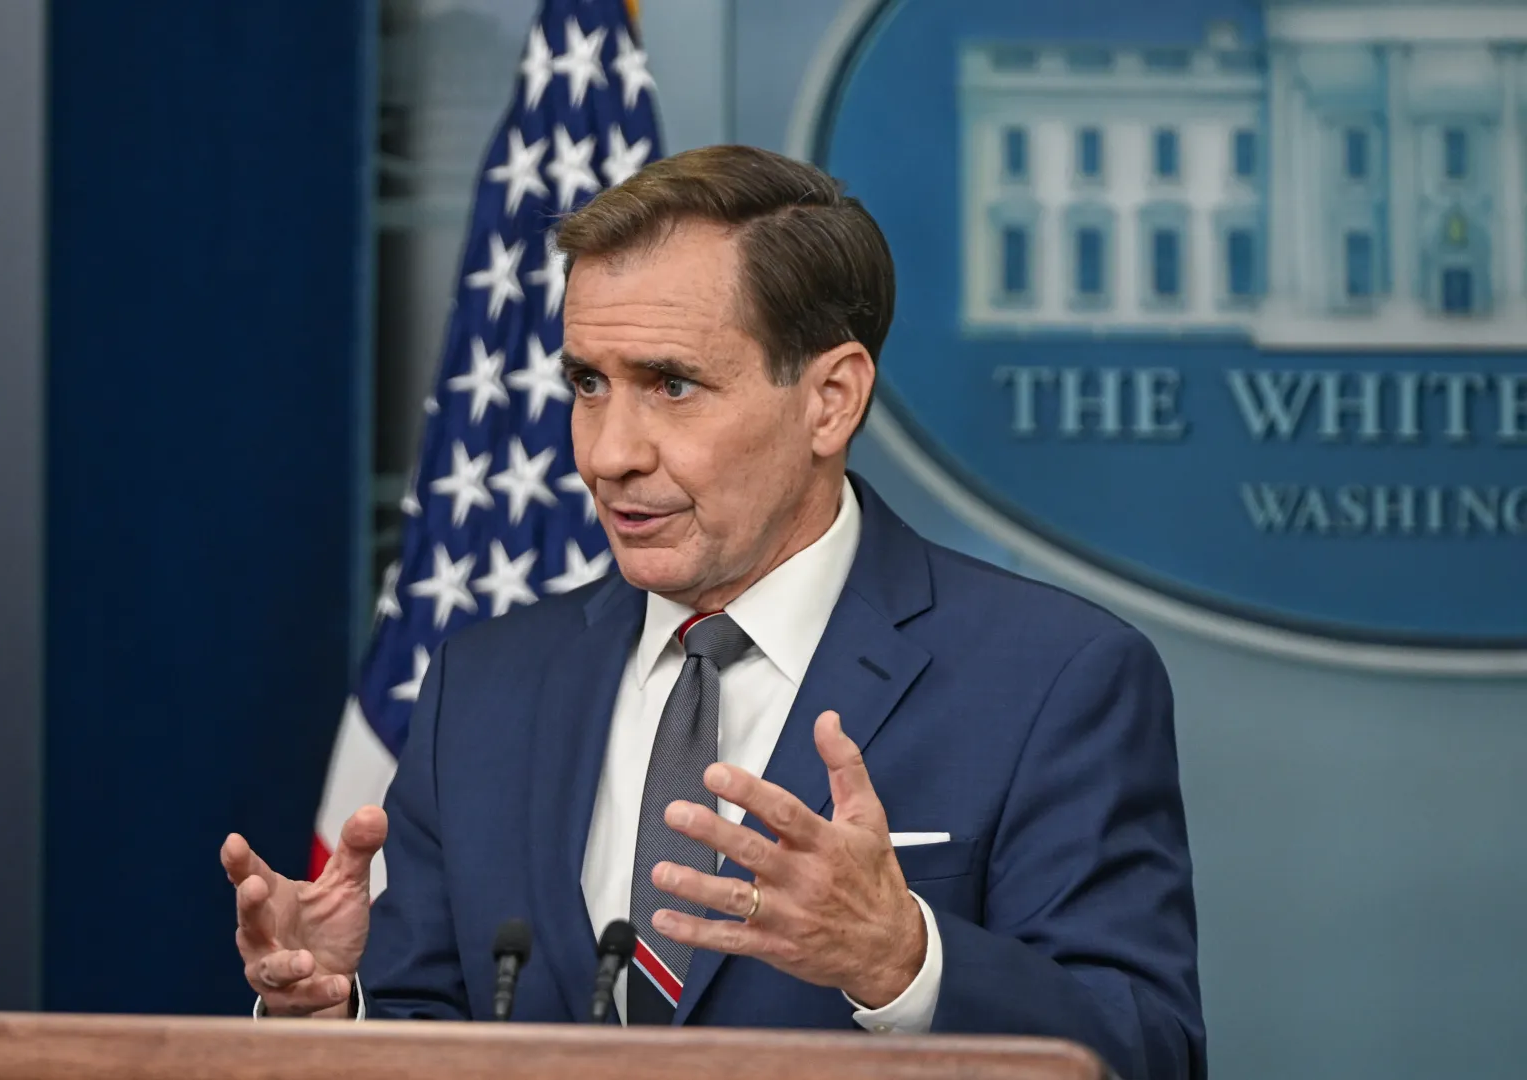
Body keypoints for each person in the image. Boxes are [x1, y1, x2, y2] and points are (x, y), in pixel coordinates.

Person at [220, 145, 1205, 1079]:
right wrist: (330, 1018)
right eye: (588, 384)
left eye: (672, 385)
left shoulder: (1050, 678)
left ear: (830, 400)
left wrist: (904, 960)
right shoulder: (486, 684)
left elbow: (1148, 1053)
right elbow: (431, 1026)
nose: (609, 454)